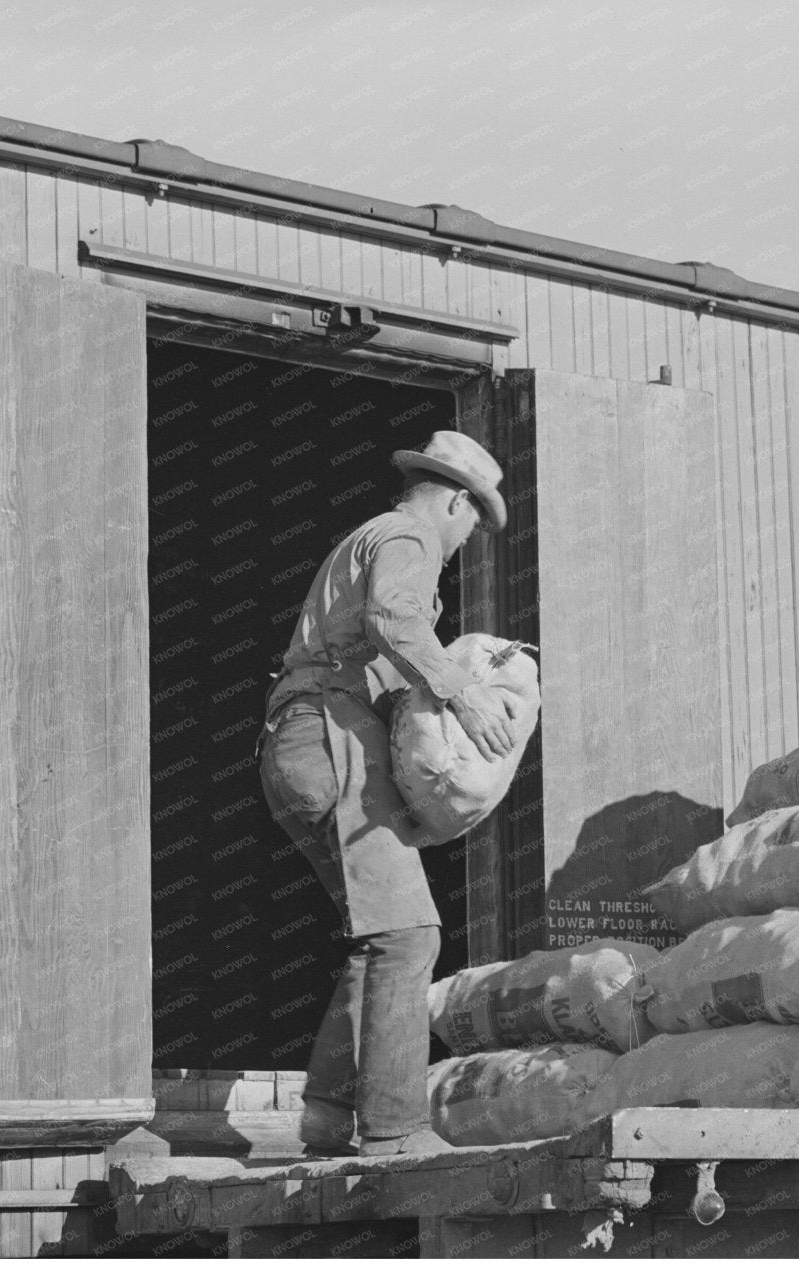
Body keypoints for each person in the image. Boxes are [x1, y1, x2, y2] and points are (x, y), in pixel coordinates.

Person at [256, 430, 520, 1158]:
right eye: (473, 524)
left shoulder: (371, 536)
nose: (468, 540)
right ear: (458, 501)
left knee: (382, 932)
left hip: (306, 736)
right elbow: (395, 619)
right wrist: (462, 693)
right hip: (330, 729)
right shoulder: (408, 536)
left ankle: (327, 1113)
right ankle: (396, 1129)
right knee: (409, 934)